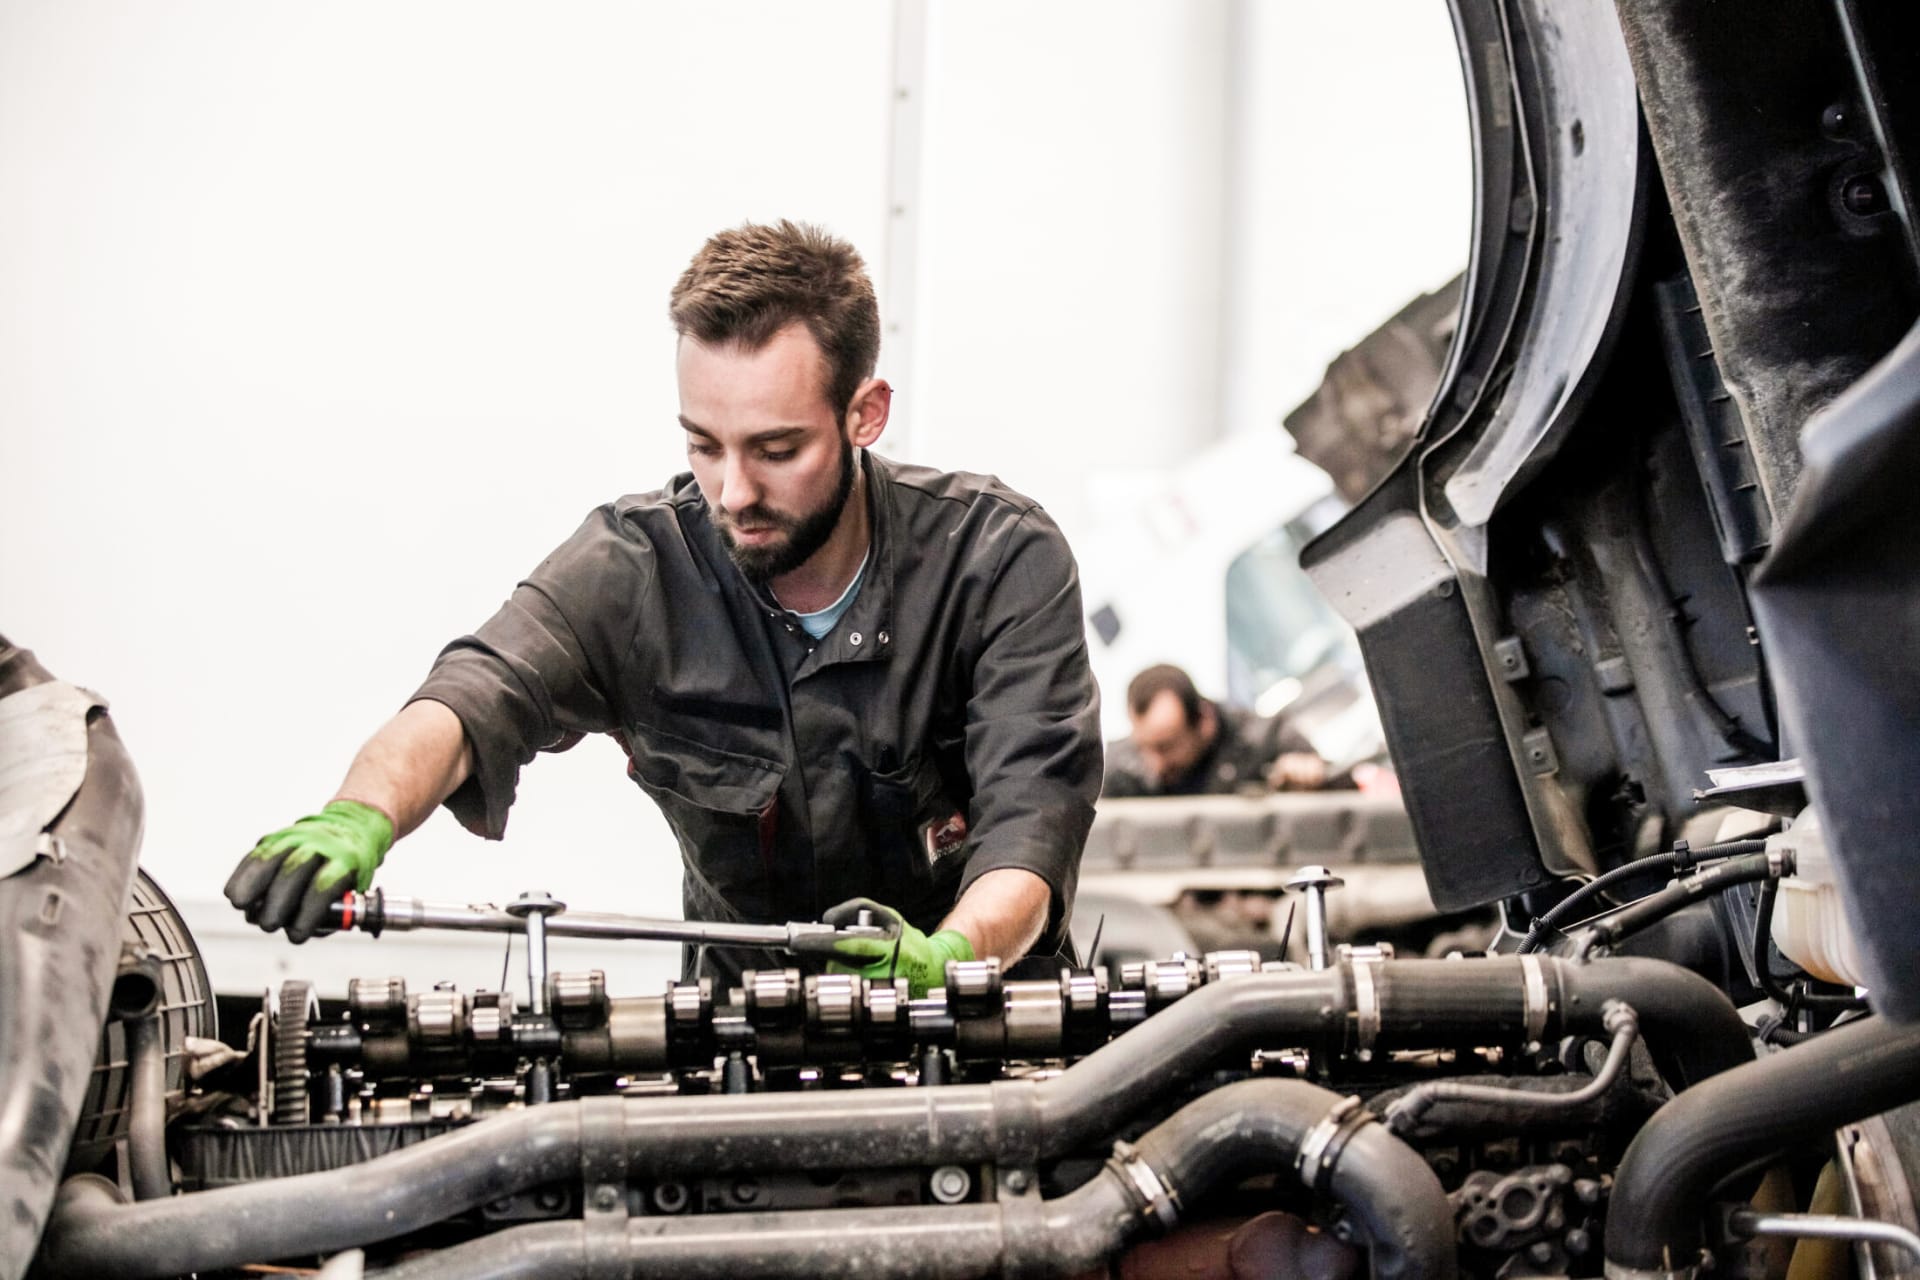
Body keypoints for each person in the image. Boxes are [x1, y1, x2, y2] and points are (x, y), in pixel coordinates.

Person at [223, 220, 1102, 996]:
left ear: (864, 414)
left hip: (988, 1033)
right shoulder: (636, 569)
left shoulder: (997, 562)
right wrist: (361, 813)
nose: (734, 491)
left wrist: (949, 959)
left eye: (777, 449)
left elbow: (1030, 828)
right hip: (741, 1045)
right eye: (703, 445)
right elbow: (477, 693)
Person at [1102, 663, 1335, 798]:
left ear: (1204, 721)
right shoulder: (1120, 773)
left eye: (1165, 747)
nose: (1155, 764)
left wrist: (1305, 775)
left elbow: (1332, 789)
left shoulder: (1267, 742)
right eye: (1143, 747)